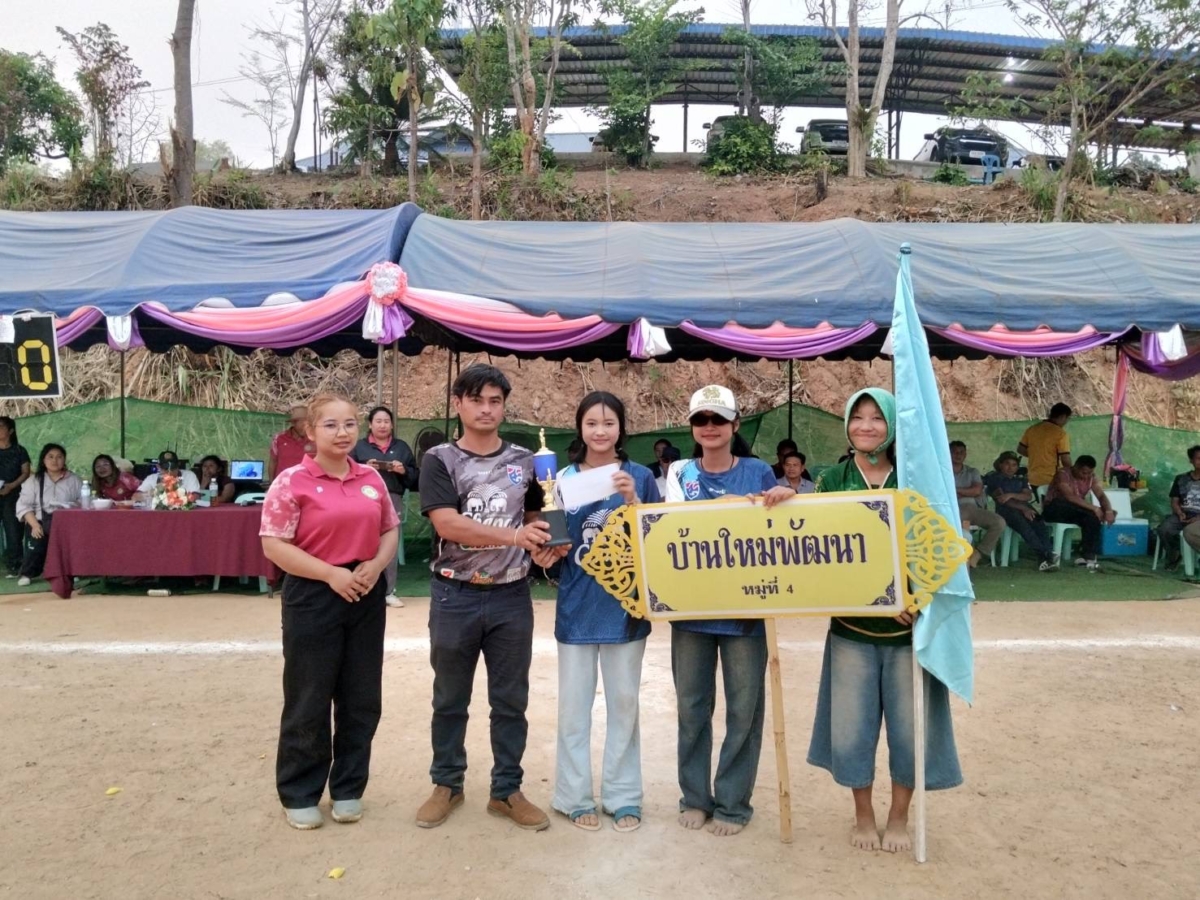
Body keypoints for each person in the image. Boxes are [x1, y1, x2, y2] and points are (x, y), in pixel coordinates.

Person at [807, 388, 962, 853]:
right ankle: (863, 814)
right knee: (852, 730)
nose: (867, 426)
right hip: (851, 632)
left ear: (892, 426)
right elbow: (817, 553)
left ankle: (898, 817)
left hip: (909, 633)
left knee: (909, 732)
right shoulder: (832, 480)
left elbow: (938, 548)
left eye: (877, 418)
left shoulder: (914, 479)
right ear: (847, 425)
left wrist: (917, 596)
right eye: (858, 417)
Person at [416, 364, 554, 832]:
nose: (486, 409)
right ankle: (447, 784)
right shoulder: (439, 459)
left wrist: (547, 542)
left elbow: (536, 515)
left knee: (511, 701)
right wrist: (516, 537)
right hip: (454, 594)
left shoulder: (525, 460)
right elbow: (447, 523)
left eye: (495, 401)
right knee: (449, 698)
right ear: (458, 404)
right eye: (476, 400)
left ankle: (506, 791)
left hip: (511, 596)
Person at [259, 392, 400, 831]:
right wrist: (329, 574)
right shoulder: (291, 482)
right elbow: (274, 544)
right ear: (310, 431)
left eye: (350, 424)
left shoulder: (371, 479)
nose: (343, 433)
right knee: (309, 695)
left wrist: (375, 566)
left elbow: (389, 530)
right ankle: (300, 791)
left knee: (361, 697)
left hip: (364, 593)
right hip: (314, 595)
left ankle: (348, 787)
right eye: (331, 425)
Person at [665, 384, 794, 838]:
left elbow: (779, 530)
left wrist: (785, 498)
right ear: (692, 427)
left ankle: (734, 804)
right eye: (701, 419)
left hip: (745, 613)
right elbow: (669, 529)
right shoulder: (679, 473)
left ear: (735, 425)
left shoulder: (758, 472)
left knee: (744, 711)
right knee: (691, 708)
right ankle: (695, 798)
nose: (710, 427)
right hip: (691, 611)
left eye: (719, 419)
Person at [539, 391, 660, 834]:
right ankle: (573, 797)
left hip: (626, 607)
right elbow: (553, 544)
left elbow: (659, 539)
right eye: (592, 423)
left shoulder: (640, 476)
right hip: (577, 606)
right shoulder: (559, 480)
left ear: (622, 428)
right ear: (580, 428)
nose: (601, 431)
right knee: (574, 708)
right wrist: (546, 555)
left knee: (624, 705)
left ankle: (623, 795)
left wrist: (634, 502)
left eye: (609, 423)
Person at [350, 406, 419, 609]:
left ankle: (389, 591)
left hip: (392, 498)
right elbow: (345, 471)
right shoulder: (359, 447)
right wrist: (363, 469)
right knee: (361, 542)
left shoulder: (402, 447)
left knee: (389, 545)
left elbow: (415, 478)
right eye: (378, 421)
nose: (383, 425)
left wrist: (403, 470)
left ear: (392, 425)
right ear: (370, 424)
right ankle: (361, 587)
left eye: (386, 421)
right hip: (361, 501)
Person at [15, 443, 83, 587]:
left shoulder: (74, 480)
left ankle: (71, 572)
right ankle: (28, 574)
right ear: (43, 460)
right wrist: (34, 525)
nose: (55, 460)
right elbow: (23, 505)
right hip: (39, 520)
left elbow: (83, 502)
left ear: (64, 459)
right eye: (50, 457)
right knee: (36, 544)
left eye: (59, 457)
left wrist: (73, 505)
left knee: (70, 545)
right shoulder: (34, 480)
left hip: (66, 523)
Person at [984, 451, 1058, 571]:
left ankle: (1048, 552)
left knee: (1038, 522)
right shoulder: (995, 478)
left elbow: (1027, 496)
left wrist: (1011, 494)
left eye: (1014, 465)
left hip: (1024, 507)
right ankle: (1043, 555)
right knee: (1024, 526)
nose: (1010, 468)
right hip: (1006, 509)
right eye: (1007, 464)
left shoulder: (1020, 478)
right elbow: (1003, 500)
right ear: (1000, 464)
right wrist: (1023, 508)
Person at [1042, 454, 1115, 571]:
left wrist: (1108, 510)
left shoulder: (1091, 477)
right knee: (1091, 512)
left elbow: (1101, 495)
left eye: (1089, 473)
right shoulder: (1063, 474)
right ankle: (1086, 553)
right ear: (1075, 467)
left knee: (1093, 517)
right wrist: (1095, 508)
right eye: (1084, 473)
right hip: (1055, 509)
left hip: (1075, 510)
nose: (1086, 476)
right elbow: (1069, 497)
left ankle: (1089, 556)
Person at [950, 440, 1007, 568]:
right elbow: (942, 492)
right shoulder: (943, 471)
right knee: (961, 528)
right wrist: (967, 491)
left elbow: (977, 491)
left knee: (999, 522)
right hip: (953, 509)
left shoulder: (972, 472)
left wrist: (955, 490)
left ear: (965, 454)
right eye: (954, 452)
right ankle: (960, 558)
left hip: (973, 509)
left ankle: (978, 554)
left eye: (961, 452)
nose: (958, 455)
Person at [1158, 445, 1200, 569]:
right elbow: (1174, 501)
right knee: (1164, 529)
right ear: (1191, 460)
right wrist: (1179, 512)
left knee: (1190, 532)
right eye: (1198, 458)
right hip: (1183, 514)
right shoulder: (1181, 479)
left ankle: (1193, 557)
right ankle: (1175, 553)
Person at [0, 416, 32, 576]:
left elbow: (26, 472)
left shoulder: (19, 450)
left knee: (13, 531)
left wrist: (11, 486)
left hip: (12, 496)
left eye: (1, 427)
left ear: (11, 430)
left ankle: (14, 564)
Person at [1018, 402, 1073, 488]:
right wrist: (1073, 475)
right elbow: (1065, 459)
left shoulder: (1032, 429)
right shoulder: (1060, 434)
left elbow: (1021, 449)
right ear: (1063, 416)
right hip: (1052, 479)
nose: (1066, 422)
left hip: (1032, 478)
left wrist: (1037, 455)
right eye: (1067, 419)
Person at [268, 405, 315, 483]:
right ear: (294, 423)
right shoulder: (279, 438)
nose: (307, 426)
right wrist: (271, 483)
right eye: (303, 423)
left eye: (309, 423)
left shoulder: (315, 439)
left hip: (307, 484)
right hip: (283, 484)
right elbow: (273, 461)